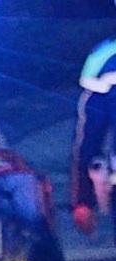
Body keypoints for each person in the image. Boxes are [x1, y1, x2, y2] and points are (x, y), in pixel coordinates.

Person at [71, 28, 116, 238]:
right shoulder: (106, 49)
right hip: (100, 100)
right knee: (87, 148)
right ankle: (84, 203)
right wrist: (104, 83)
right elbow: (85, 79)